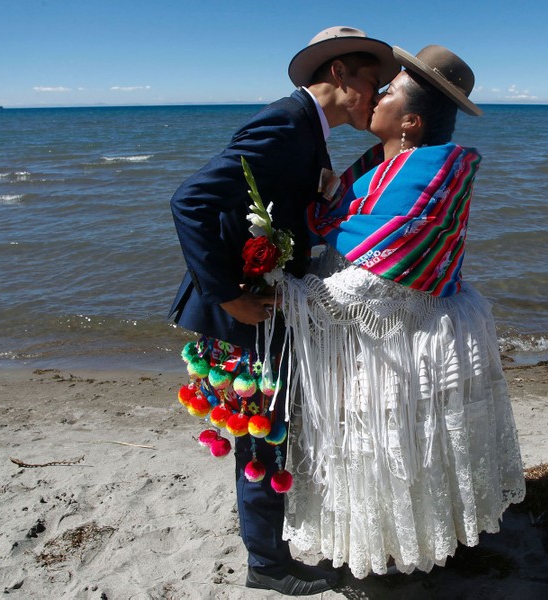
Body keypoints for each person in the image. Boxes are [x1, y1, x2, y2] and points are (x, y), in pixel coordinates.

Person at [168, 27, 400, 595]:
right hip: (244, 317)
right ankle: (267, 565)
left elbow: (267, 204)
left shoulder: (309, 130)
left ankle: (269, 552)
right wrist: (228, 295)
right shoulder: (285, 123)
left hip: (266, 309)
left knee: (269, 436)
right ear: (341, 74)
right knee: (259, 438)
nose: (378, 94)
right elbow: (190, 200)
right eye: (373, 82)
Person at [280, 45, 527, 579]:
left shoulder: (430, 174)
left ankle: (401, 550)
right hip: (386, 330)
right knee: (389, 442)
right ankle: (395, 541)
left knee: (392, 440)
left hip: (406, 334)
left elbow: (382, 272)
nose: (376, 95)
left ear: (410, 121)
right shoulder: (377, 166)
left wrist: (281, 293)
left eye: (388, 93)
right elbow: (345, 229)